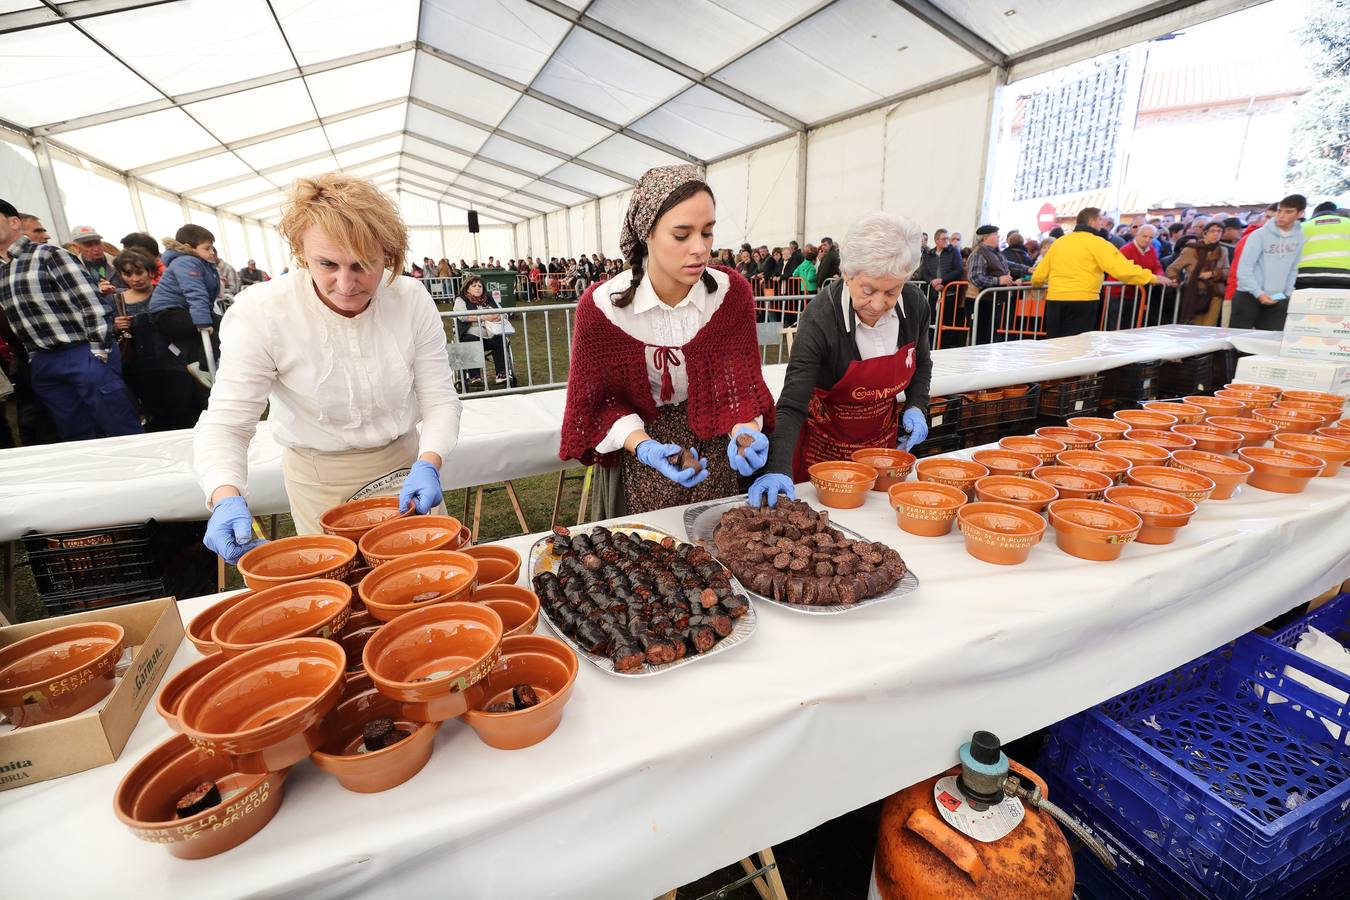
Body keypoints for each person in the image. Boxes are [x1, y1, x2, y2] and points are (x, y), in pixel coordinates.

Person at [193, 173, 463, 559]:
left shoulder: (409, 298)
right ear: (301, 253)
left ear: (387, 254)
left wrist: (430, 460)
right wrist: (224, 496)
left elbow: (439, 399)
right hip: (319, 481)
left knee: (426, 581)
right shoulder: (264, 312)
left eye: (363, 265)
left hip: (406, 468)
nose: (346, 283)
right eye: (327, 264)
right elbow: (227, 423)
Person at [558, 164, 775, 519]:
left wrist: (745, 433)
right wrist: (644, 448)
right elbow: (599, 404)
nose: (700, 249)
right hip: (637, 461)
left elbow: (737, 390)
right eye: (681, 235)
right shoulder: (602, 308)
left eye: (707, 233)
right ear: (647, 233)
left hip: (715, 455)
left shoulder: (731, 295)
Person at [749, 212, 932, 508]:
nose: (879, 304)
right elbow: (793, 403)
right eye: (868, 290)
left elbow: (921, 363)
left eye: (892, 291)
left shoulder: (915, 304)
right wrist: (777, 468)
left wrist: (916, 406)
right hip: (825, 449)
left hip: (880, 446)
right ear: (847, 275)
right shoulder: (820, 319)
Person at [0, 198, 143, 440]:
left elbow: (91, 303)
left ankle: (145, 475)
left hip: (82, 351)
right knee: (76, 436)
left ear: (14, 222)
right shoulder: (3, 269)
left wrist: (98, 353)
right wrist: (35, 358)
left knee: (119, 429)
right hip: (44, 360)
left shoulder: (49, 254)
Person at [1030, 207, 1170, 339]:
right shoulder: (1098, 243)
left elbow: (1039, 274)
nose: (1101, 225)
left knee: (1054, 343)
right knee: (1078, 346)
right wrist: (1152, 278)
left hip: (1055, 300)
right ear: (1092, 221)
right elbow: (1123, 269)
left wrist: (1037, 284)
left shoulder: (1060, 242)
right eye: (1100, 221)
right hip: (1083, 300)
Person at [111, 249, 198, 430]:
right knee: (155, 417)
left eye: (139, 272)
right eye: (128, 273)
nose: (135, 278)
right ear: (120, 275)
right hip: (138, 369)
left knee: (185, 412)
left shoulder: (167, 295)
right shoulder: (116, 301)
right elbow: (100, 332)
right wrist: (115, 326)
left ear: (151, 272)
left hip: (176, 365)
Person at [148, 225, 221, 379]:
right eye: (207, 248)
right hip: (167, 313)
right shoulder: (186, 261)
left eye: (212, 248)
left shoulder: (201, 263)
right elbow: (195, 292)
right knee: (221, 325)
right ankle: (205, 368)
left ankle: (203, 366)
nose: (212, 252)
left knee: (224, 323)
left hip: (181, 311)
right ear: (189, 247)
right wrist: (203, 322)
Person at [1232, 194, 1307, 331]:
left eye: (1288, 211)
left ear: (1300, 213)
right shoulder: (1259, 235)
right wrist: (1259, 293)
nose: (1281, 215)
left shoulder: (1300, 237)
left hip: (1278, 297)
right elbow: (1244, 269)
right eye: (1279, 211)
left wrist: (1287, 294)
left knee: (1271, 343)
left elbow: (1293, 268)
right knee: (1238, 343)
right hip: (1248, 294)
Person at [1166, 220, 1229, 326]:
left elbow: (1228, 270)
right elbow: (1172, 268)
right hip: (1194, 293)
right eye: (1212, 231)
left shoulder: (1222, 250)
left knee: (1209, 327)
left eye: (1219, 231)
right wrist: (1175, 279)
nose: (1216, 234)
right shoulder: (1191, 250)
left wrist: (1212, 273)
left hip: (1215, 293)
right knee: (1194, 327)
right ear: (1205, 233)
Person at [964, 225, 1014, 345]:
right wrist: (999, 281)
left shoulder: (996, 253)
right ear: (986, 238)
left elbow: (1009, 264)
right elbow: (975, 278)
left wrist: (1028, 269)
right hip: (979, 300)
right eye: (995, 235)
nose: (998, 237)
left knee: (990, 336)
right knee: (980, 336)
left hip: (991, 300)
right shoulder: (979, 254)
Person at [1112, 224, 1163, 327]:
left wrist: (1159, 276)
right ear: (1137, 235)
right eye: (1144, 236)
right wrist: (1153, 278)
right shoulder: (1126, 250)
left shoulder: (1151, 250)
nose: (1147, 240)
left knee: (1132, 325)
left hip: (1137, 294)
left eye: (1151, 237)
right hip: (1119, 294)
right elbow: (1129, 272)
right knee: (1116, 326)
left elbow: (1157, 266)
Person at [1295, 201, 1350, 291]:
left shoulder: (1300, 227)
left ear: (1314, 215)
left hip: (1304, 279)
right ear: (1336, 213)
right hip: (1346, 277)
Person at [69, 225, 118, 297]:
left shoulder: (116, 263)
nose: (96, 249)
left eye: (97, 243)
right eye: (89, 245)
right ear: (76, 247)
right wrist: (97, 291)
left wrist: (114, 290)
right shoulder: (74, 269)